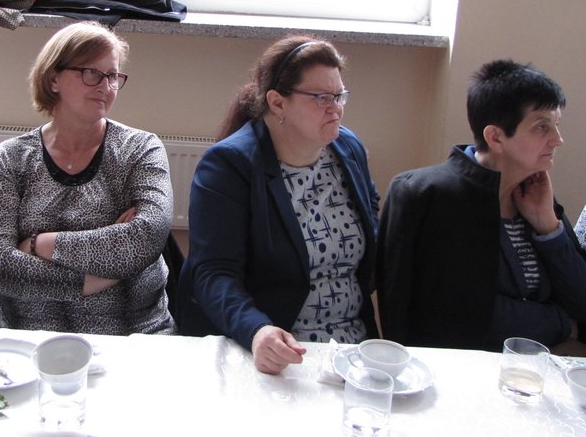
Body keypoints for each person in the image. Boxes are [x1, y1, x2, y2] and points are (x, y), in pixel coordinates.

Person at [177, 36, 380, 375]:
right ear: (277, 102)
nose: (335, 108)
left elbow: (370, 217)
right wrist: (256, 330)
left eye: (339, 95)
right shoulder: (230, 165)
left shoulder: (349, 149)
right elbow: (214, 273)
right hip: (274, 347)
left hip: (350, 348)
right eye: (321, 97)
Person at [0, 21, 175, 335]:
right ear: (53, 78)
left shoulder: (140, 149)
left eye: (113, 76)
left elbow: (145, 239)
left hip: (133, 335)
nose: (105, 86)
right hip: (25, 336)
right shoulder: (10, 158)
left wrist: (39, 244)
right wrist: (100, 276)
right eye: (91, 73)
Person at [377, 59, 586, 352]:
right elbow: (463, 317)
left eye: (556, 125)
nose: (558, 140)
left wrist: (549, 229)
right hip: (458, 368)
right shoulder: (429, 195)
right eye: (542, 127)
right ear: (495, 137)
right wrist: (564, 324)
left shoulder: (535, 193)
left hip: (542, 369)